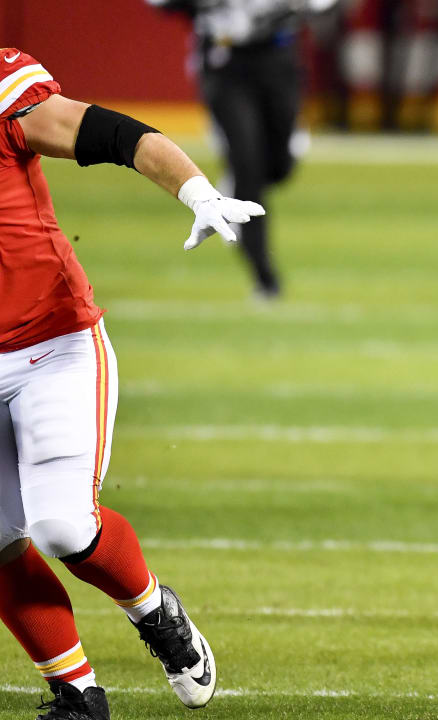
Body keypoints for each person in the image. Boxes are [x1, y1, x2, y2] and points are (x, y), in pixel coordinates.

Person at [0, 49, 264, 719]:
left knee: (62, 527)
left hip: (49, 343)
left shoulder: (6, 91)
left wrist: (195, 191)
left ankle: (153, 612)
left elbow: (115, 134)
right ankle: (79, 693)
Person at [145, 0, 333, 299]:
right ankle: (265, 277)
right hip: (225, 60)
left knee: (279, 167)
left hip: (277, 54)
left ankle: (246, 180)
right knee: (248, 165)